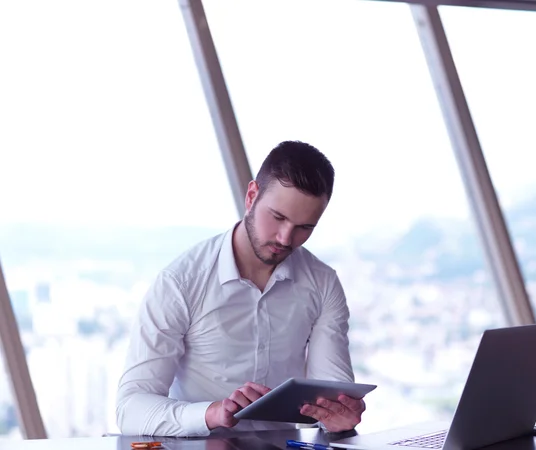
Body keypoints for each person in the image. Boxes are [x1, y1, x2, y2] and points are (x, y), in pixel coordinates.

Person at [116, 141, 365, 437]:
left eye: (304, 227)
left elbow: (332, 394)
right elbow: (130, 409)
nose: (286, 238)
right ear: (251, 197)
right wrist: (212, 412)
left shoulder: (322, 283)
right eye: (278, 217)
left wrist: (339, 415)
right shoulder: (181, 282)